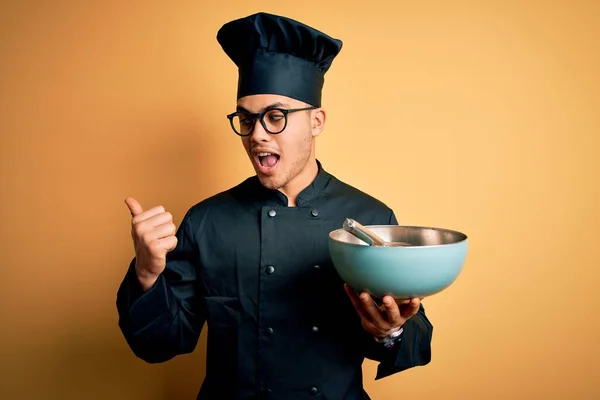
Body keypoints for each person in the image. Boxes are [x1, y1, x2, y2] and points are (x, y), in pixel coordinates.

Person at [116, 11, 433, 400]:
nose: (257, 135)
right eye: (246, 120)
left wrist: (390, 331)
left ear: (316, 121)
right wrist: (147, 274)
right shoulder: (206, 221)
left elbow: (410, 336)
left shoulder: (369, 218)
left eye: (276, 117)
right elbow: (161, 344)